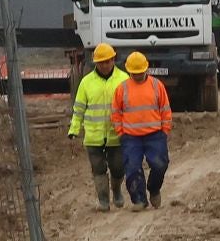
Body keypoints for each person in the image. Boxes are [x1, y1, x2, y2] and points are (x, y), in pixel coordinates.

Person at [110, 51, 172, 211]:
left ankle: (154, 188)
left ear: (146, 69)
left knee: (160, 165)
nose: (137, 75)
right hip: (130, 137)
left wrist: (165, 130)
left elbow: (165, 109)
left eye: (140, 72)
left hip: (155, 134)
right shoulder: (122, 88)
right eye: (134, 73)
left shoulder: (156, 85)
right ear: (129, 71)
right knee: (132, 169)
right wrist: (120, 132)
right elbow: (116, 112)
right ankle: (139, 200)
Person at [67, 42, 125, 211]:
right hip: (93, 136)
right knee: (98, 169)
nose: (105, 65)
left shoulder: (123, 80)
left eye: (108, 61)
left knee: (118, 167)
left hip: (117, 135)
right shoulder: (86, 83)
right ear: (95, 63)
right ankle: (103, 200)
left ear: (113, 60)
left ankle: (117, 190)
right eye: (101, 62)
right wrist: (74, 129)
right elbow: (78, 109)